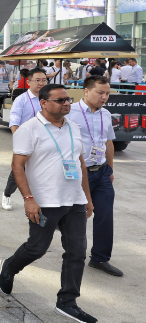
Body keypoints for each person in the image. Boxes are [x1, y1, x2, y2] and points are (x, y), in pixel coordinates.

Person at [0, 83, 96, 323]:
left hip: (74, 199)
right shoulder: (29, 129)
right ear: (43, 103)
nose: (66, 103)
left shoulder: (73, 127)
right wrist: (29, 199)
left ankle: (67, 302)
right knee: (37, 248)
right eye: (60, 100)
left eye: (68, 100)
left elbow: (80, 164)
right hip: (45, 201)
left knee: (76, 253)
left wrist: (87, 198)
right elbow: (17, 166)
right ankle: (10, 266)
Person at [67, 76, 122, 276]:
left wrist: (110, 169)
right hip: (79, 173)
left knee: (105, 215)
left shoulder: (106, 114)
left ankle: (100, 258)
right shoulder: (69, 113)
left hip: (102, 172)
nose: (105, 97)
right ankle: (73, 255)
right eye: (100, 92)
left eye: (107, 93)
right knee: (78, 216)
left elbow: (109, 143)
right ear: (86, 91)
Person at [2, 68, 49, 211]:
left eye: (44, 80)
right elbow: (14, 121)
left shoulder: (48, 98)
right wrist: (18, 141)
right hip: (27, 141)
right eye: (37, 80)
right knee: (19, 171)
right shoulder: (21, 100)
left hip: (46, 141)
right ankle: (7, 194)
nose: (41, 83)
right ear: (28, 82)